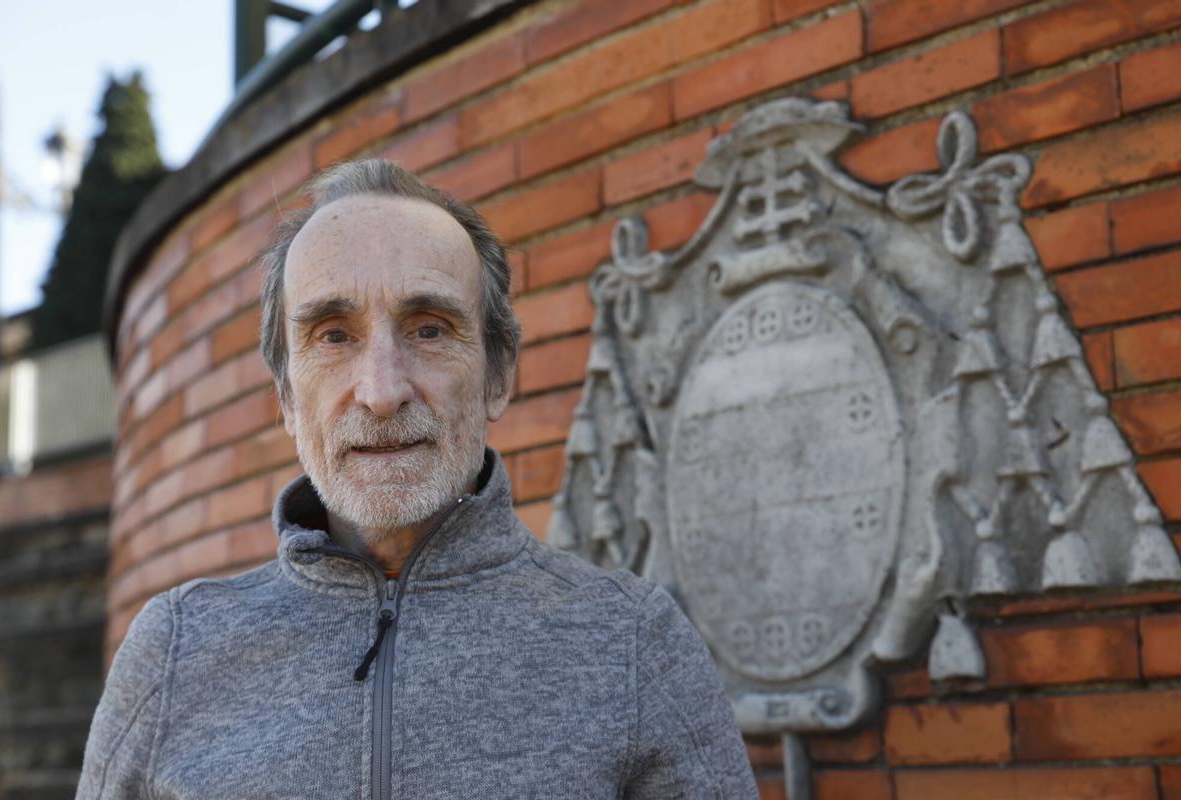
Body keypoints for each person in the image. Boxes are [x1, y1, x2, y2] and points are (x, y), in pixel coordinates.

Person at [77, 159, 757, 799]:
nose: (380, 391)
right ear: (287, 398)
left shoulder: (635, 639)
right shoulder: (173, 651)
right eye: (333, 336)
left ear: (497, 376)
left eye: (429, 329)